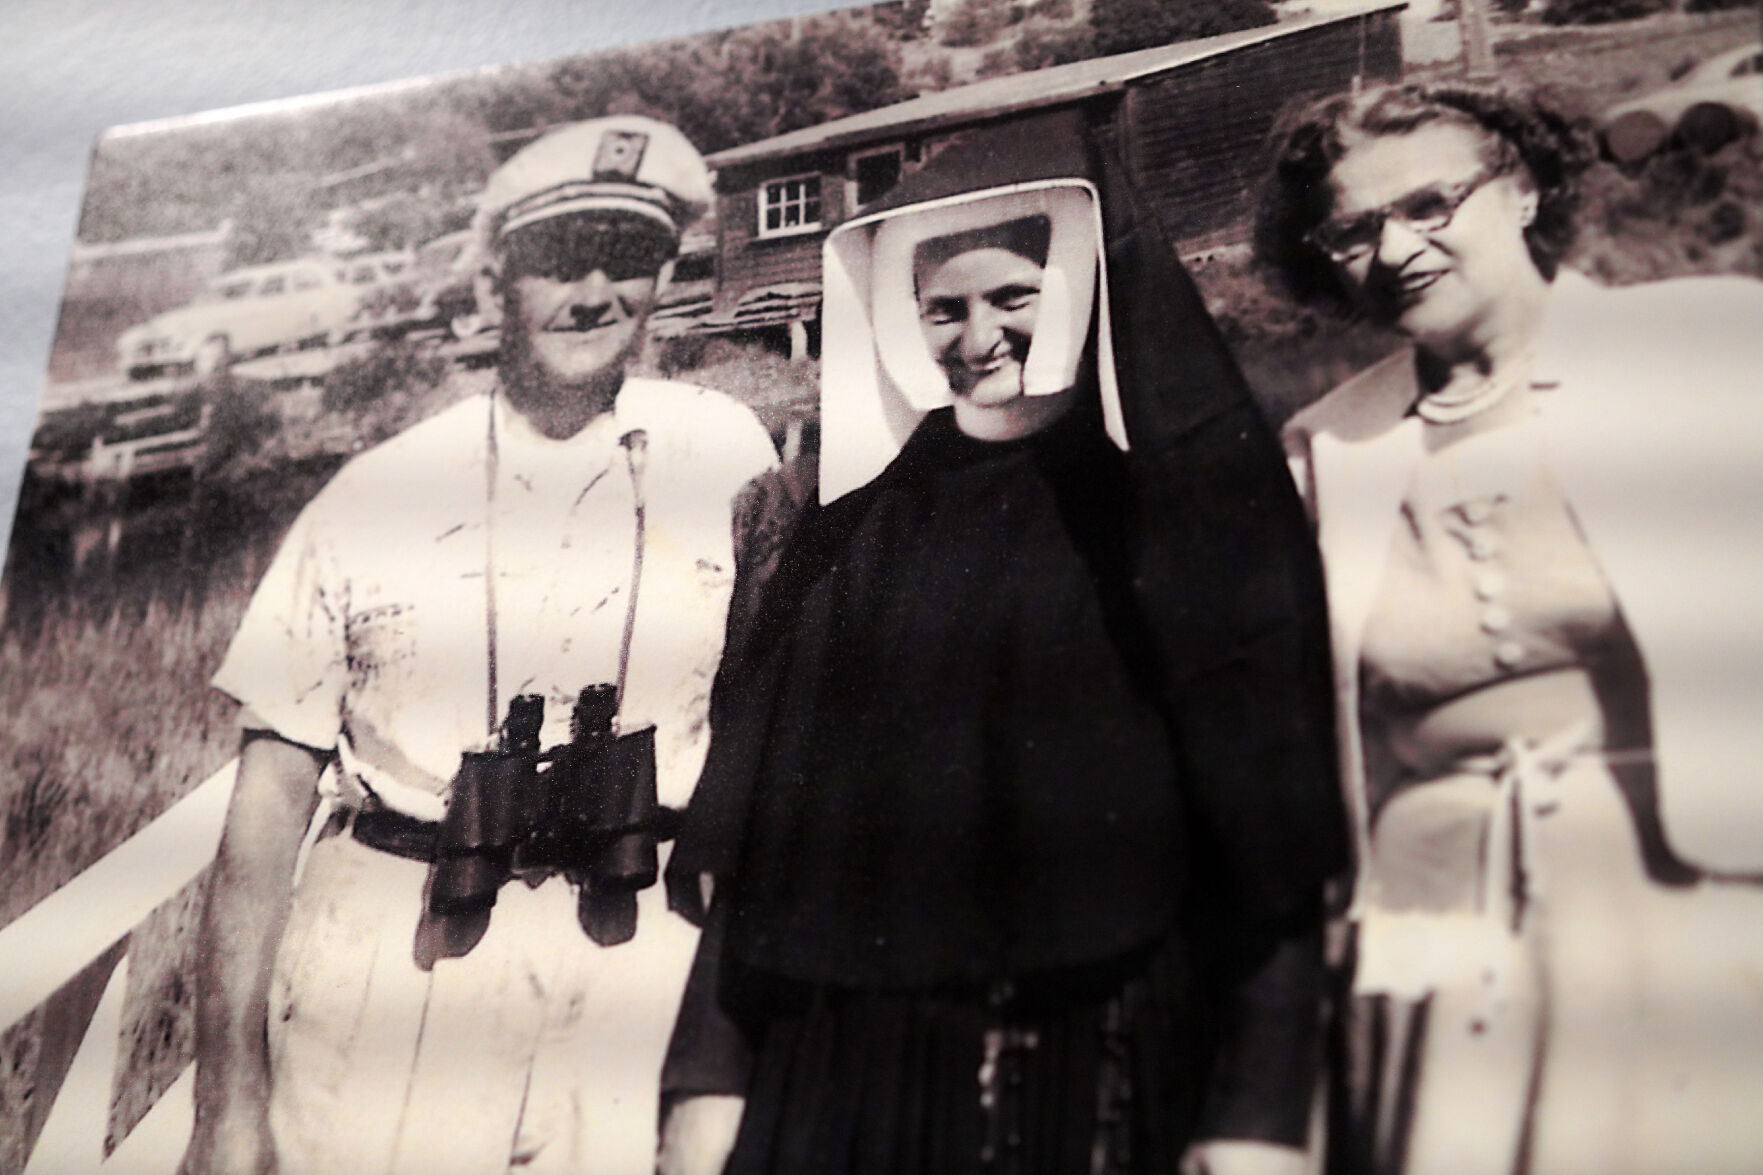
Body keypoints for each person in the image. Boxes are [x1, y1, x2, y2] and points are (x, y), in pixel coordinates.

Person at [656, 111, 1345, 1175]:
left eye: (1012, 296)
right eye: (942, 308)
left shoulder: (1181, 510)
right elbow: (765, 840)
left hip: (1106, 1044)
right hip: (851, 1060)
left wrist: (1257, 1105)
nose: (976, 338)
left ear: (1080, 284)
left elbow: (1266, 835)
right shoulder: (845, 530)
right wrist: (704, 1082)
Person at [179, 116, 786, 1175]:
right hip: (402, 960)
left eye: (629, 256)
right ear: (496, 277)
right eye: (558, 258)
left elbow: (769, 712)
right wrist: (227, 1104)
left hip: (633, 957)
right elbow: (266, 811)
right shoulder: (372, 493)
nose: (593, 290)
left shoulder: (725, 455)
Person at [1263, 82, 1763, 1174]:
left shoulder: (1712, 349)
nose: (1395, 248)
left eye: (1430, 203)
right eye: (1351, 229)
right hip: (1434, 923)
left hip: (1688, 902)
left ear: (1524, 187)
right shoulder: (1326, 444)